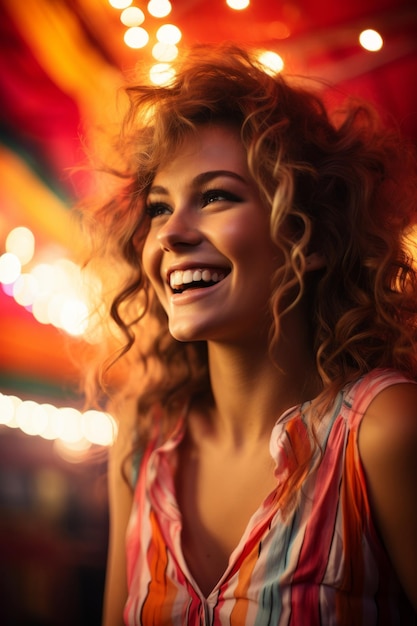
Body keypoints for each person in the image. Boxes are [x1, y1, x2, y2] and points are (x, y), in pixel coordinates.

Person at [81, 44, 417, 625]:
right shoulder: (142, 444)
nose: (171, 235)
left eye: (215, 196)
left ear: (310, 239)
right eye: (159, 208)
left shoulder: (384, 432)